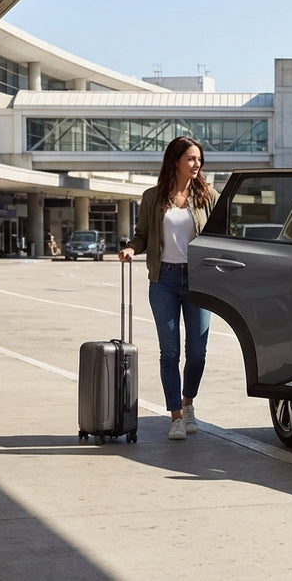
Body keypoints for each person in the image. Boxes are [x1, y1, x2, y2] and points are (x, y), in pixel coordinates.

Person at [118, 136, 219, 440]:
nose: (196, 164)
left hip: (198, 280)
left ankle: (189, 405)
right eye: (190, 158)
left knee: (198, 352)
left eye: (199, 159)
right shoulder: (152, 197)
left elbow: (219, 237)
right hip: (163, 280)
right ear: (175, 161)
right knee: (169, 352)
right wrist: (131, 250)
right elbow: (142, 236)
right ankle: (175, 416)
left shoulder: (208, 197)